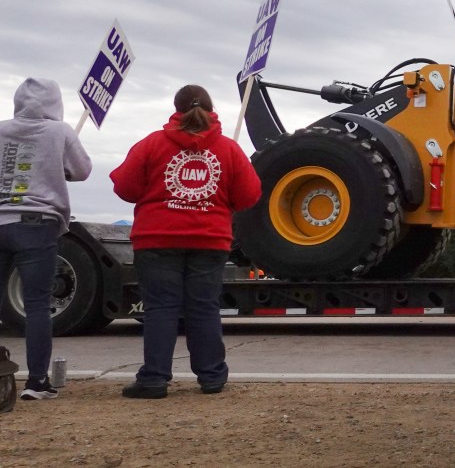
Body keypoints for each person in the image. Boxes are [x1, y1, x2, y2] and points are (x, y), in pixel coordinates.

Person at [110, 85, 261, 399]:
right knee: (203, 309)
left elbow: (125, 187)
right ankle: (212, 377)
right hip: (209, 239)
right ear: (211, 108)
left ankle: (154, 379)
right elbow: (249, 195)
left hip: (157, 239)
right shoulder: (228, 149)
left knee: (160, 309)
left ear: (175, 108)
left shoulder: (152, 144)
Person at [0, 78, 92, 401]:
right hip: (37, 226)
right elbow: (83, 170)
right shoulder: (59, 131)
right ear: (55, 102)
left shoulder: (1, 129)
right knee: (37, 304)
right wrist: (58, 169)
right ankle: (36, 381)